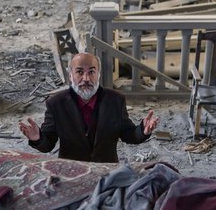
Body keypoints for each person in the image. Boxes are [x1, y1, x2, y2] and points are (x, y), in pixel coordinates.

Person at [18, 52, 159, 163]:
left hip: (107, 171)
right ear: (71, 75)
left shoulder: (115, 100)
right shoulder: (56, 103)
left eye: (91, 72)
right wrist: (37, 138)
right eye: (79, 72)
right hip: (71, 172)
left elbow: (129, 135)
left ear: (98, 74)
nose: (86, 78)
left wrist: (143, 130)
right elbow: (48, 145)